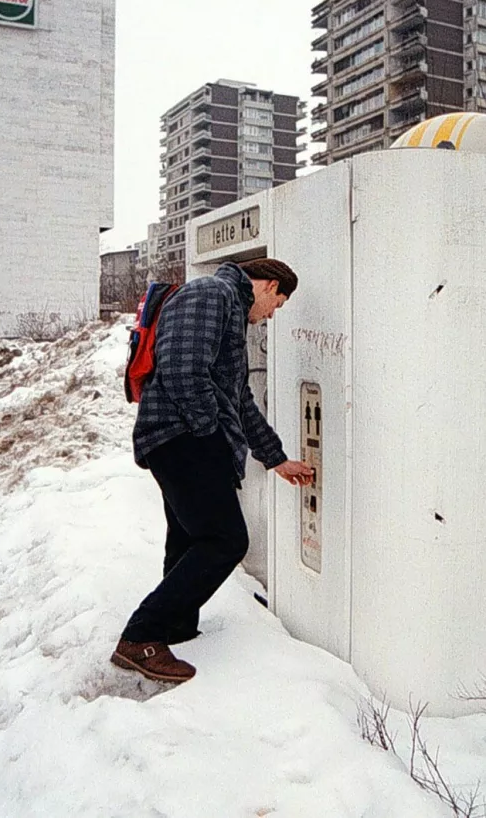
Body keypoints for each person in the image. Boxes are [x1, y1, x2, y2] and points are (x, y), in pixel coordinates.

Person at [111, 258, 313, 683]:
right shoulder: (212, 294)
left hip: (182, 437)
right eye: (277, 304)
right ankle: (141, 637)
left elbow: (238, 398)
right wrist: (209, 435)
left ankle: (175, 628)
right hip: (182, 436)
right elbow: (182, 369)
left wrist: (275, 458)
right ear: (270, 285)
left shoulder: (229, 309)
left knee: (188, 538)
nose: (271, 315)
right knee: (225, 540)